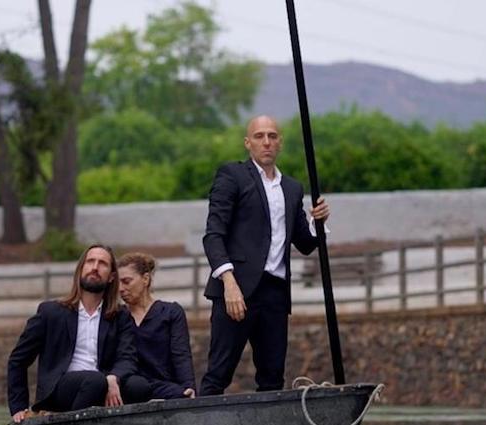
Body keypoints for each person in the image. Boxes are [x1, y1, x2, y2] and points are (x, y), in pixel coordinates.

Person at [200, 115, 330, 396]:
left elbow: (305, 243)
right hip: (237, 289)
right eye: (259, 136)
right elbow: (213, 235)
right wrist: (229, 284)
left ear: (280, 142)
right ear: (248, 143)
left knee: (272, 377)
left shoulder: (292, 188)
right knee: (218, 374)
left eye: (272, 136)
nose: (267, 142)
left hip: (275, 292)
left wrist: (317, 222)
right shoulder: (232, 175)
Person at [6, 244, 136, 422]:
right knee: (95, 381)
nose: (95, 267)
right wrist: (18, 406)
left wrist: (114, 377)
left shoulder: (120, 316)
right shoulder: (50, 312)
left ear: (112, 277)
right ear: (81, 269)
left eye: (102, 263)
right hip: (60, 389)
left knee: (139, 387)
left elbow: (127, 358)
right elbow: (18, 360)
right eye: (90, 261)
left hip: (103, 385)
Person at [117, 252, 196, 402]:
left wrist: (189, 388)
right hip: (131, 389)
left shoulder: (171, 312)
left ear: (145, 279)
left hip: (166, 388)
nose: (121, 288)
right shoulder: (118, 316)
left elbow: (181, 355)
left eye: (126, 281)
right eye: (118, 283)